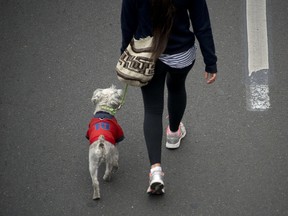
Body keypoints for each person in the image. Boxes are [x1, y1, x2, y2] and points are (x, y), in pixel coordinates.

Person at [120, 0, 217, 195]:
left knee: (152, 109)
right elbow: (202, 24)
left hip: (147, 56)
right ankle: (173, 133)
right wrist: (210, 62)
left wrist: (124, 53)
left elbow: (127, 23)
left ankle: (156, 171)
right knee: (176, 88)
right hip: (181, 54)